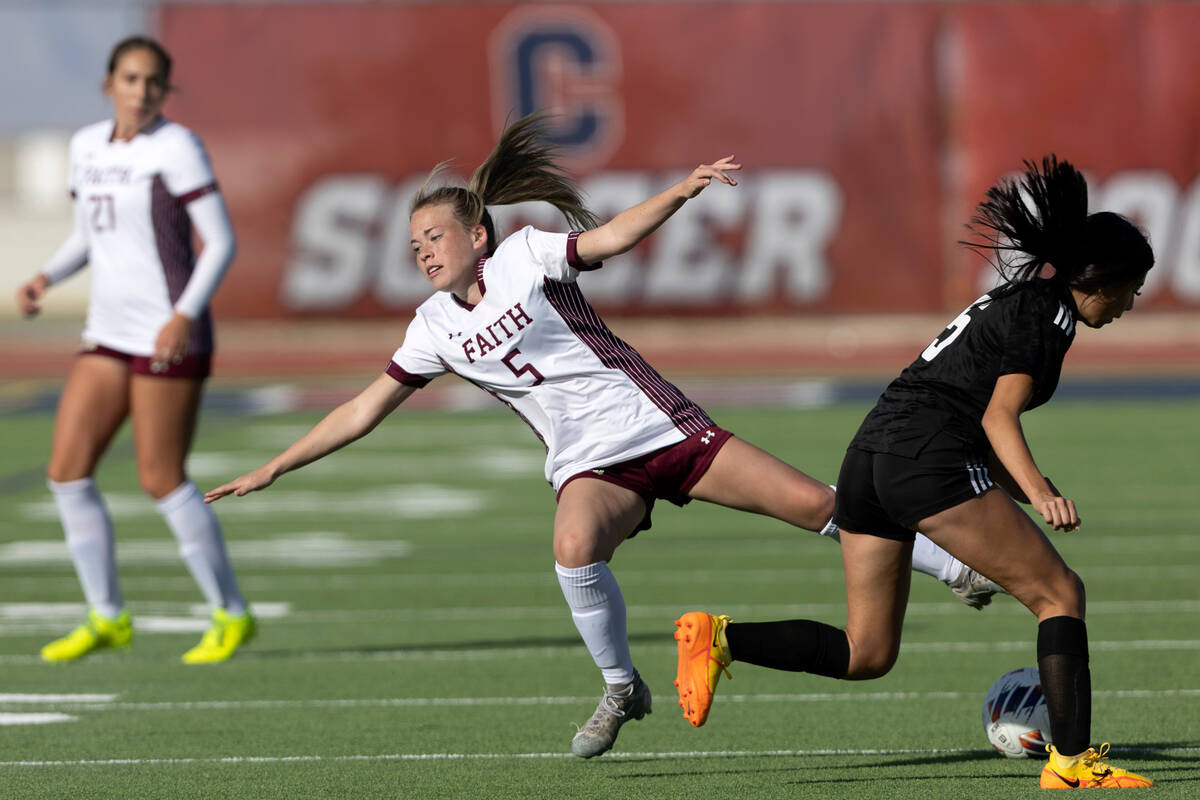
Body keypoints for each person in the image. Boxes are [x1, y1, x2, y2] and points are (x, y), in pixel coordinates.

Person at [206, 112, 993, 758]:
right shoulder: (431, 328)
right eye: (413, 246)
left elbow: (609, 239)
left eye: (434, 238)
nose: (422, 252)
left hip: (660, 424)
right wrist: (275, 466)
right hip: (590, 465)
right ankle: (622, 687)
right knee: (573, 546)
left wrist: (682, 191)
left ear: (477, 236)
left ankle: (951, 566)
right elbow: (362, 409)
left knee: (810, 502)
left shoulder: (525, 255)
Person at [674, 155, 1155, 789]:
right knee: (1059, 594)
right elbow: (998, 419)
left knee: (866, 652)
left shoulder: (1020, 301)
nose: (1131, 303)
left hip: (870, 458)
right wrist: (1039, 493)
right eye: (1131, 289)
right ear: (1101, 278)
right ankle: (1070, 764)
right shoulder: (1048, 317)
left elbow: (977, 414)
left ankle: (721, 639)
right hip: (924, 459)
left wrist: (1019, 490)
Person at [15, 36, 254, 665]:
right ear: (108, 83)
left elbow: (221, 242)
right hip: (108, 332)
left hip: (168, 332)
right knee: (66, 472)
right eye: (130, 78)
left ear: (163, 90)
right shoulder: (85, 145)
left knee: (159, 477)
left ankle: (230, 613)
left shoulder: (176, 148)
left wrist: (184, 314)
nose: (141, 91)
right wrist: (46, 276)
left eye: (153, 81)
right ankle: (106, 616)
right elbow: (88, 236)